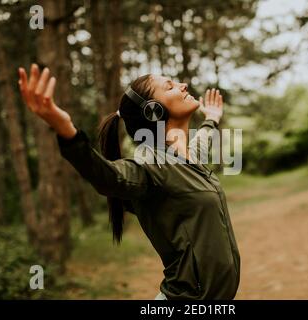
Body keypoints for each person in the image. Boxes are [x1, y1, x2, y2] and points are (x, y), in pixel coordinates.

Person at [18, 64, 240, 300]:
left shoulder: (187, 158)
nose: (182, 85)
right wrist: (65, 130)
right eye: (170, 86)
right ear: (154, 110)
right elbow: (107, 177)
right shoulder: (151, 168)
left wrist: (212, 119)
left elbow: (201, 142)